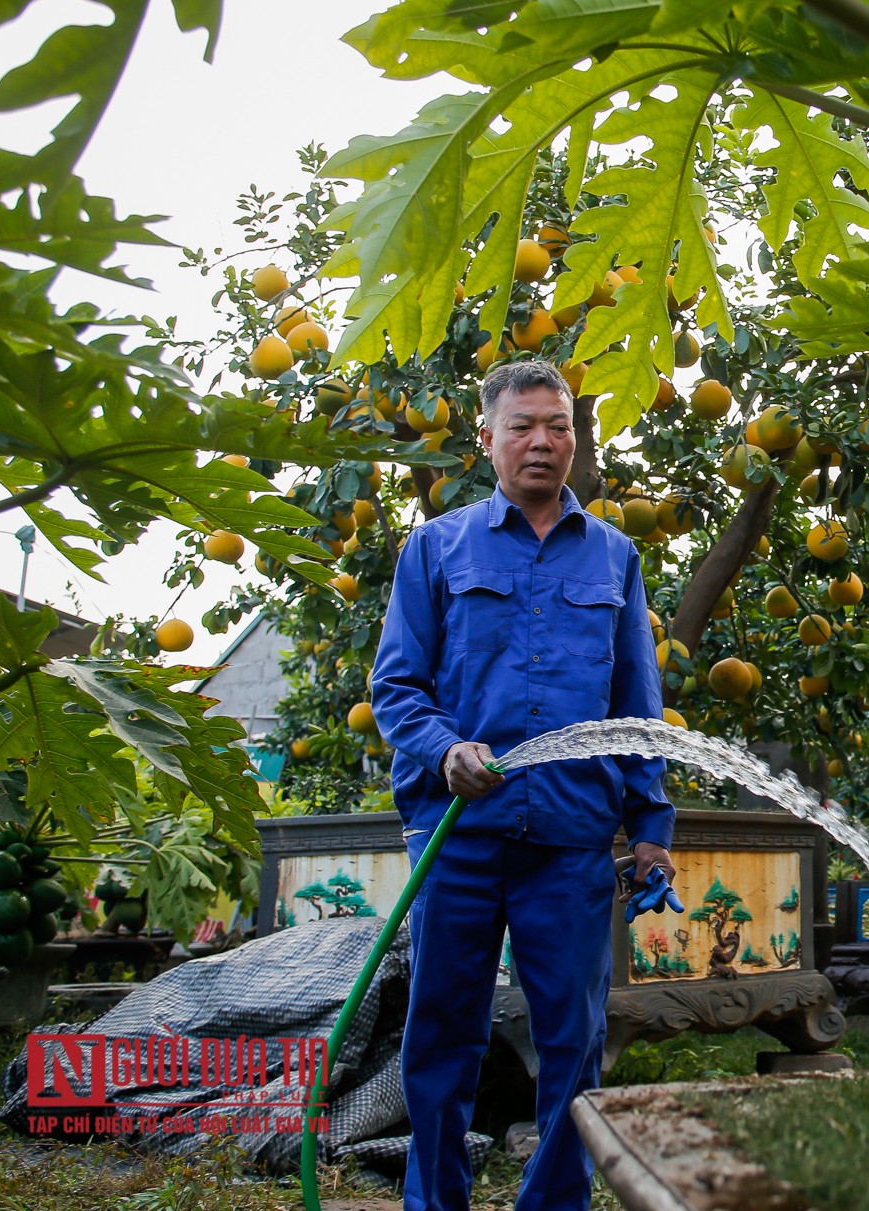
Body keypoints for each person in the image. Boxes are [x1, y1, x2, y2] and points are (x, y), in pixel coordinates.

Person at [371, 359, 676, 1211]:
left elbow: (636, 707)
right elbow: (395, 688)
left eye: (560, 426)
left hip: (571, 839)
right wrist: (444, 751)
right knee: (441, 1036)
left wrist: (650, 825)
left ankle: (553, 1204)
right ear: (488, 438)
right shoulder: (435, 547)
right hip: (457, 837)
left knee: (573, 1040)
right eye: (523, 426)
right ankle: (437, 1203)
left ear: (575, 438)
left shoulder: (614, 556)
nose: (543, 442)